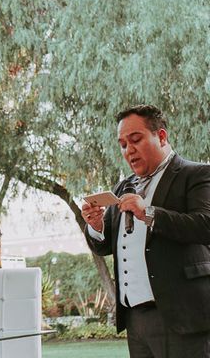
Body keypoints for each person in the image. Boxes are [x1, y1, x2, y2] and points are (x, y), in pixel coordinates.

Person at [82, 104, 210, 357]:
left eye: (136, 139)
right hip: (135, 319)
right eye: (122, 144)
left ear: (161, 136)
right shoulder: (122, 187)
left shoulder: (196, 174)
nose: (129, 150)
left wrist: (148, 213)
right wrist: (96, 227)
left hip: (183, 316)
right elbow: (105, 245)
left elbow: (205, 225)